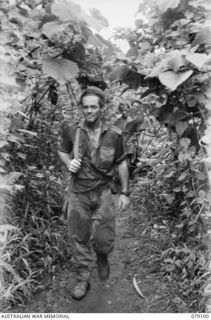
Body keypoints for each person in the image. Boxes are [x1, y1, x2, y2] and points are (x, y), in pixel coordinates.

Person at [58, 86, 130, 300]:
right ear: (81, 108)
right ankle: (82, 277)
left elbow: (122, 161)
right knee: (78, 237)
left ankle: (102, 257)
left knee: (104, 238)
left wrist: (125, 192)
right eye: (85, 107)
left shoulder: (114, 135)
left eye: (93, 107)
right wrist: (68, 162)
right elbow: (62, 150)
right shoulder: (72, 130)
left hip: (103, 193)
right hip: (78, 193)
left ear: (102, 108)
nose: (89, 111)